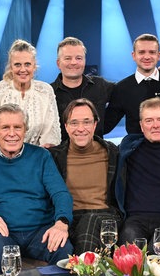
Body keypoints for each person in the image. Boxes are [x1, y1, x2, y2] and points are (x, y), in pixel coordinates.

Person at [0, 104, 73, 275]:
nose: (12, 133)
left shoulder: (41, 156)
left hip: (40, 230)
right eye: (5, 127)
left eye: (18, 127)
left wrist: (62, 222)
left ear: (25, 131)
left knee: (64, 251)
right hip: (4, 234)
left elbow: (60, 193)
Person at [115, 98, 160, 251]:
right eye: (149, 120)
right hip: (134, 219)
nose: (155, 125)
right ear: (142, 126)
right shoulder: (128, 147)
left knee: (156, 255)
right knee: (131, 257)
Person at [48, 98, 122, 254]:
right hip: (70, 218)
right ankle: (88, 273)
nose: (81, 128)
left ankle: (84, 274)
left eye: (87, 122)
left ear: (95, 125)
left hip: (106, 216)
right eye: (74, 123)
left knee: (91, 219)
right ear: (66, 126)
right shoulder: (53, 156)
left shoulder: (113, 153)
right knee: (83, 224)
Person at [0, 39, 61, 151]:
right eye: (17, 65)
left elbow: (50, 133)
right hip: (0, 159)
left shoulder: (45, 91)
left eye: (27, 64)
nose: (23, 69)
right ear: (11, 67)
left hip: (35, 159)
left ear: (34, 66)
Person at [105, 34, 160, 139]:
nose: (147, 57)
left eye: (152, 52)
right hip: (137, 151)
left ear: (158, 56)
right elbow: (106, 125)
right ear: (133, 55)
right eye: (141, 52)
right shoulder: (122, 88)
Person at [50, 37, 114, 141]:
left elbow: (126, 92)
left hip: (96, 153)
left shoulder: (101, 85)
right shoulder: (48, 93)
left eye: (79, 58)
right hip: (60, 155)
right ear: (58, 63)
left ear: (84, 61)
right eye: (68, 58)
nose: (74, 62)